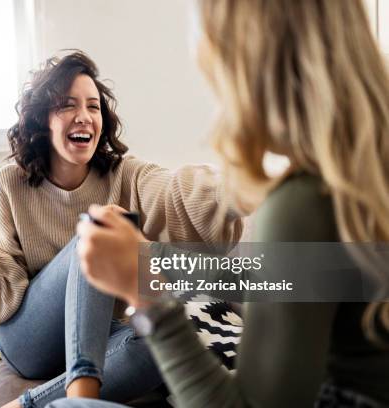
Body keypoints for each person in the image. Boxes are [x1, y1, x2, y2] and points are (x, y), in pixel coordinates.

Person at [53, 1, 389, 407]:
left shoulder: (303, 202)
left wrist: (148, 299)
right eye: (69, 105)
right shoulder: (360, 178)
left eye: (92, 105)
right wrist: (148, 262)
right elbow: (273, 280)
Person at [0, 51, 243, 408]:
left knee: (160, 346)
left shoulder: (125, 173)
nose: (84, 117)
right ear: (43, 120)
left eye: (94, 106)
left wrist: (242, 187)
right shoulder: (11, 183)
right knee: (98, 228)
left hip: (98, 334)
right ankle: (81, 400)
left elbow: (173, 192)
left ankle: (28, 405)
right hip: (29, 339)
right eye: (68, 106)